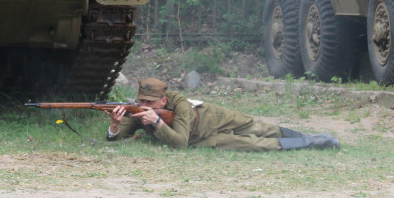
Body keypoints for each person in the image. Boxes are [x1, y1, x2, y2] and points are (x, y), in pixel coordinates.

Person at [107, 77, 340, 151]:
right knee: (256, 145)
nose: (145, 105)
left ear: (163, 101)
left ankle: (309, 136)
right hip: (207, 138)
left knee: (261, 128)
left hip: (216, 117)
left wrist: (157, 122)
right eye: (142, 101)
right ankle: (313, 143)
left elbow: (179, 140)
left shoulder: (180, 105)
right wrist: (115, 125)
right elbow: (113, 141)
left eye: (151, 102)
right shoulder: (136, 111)